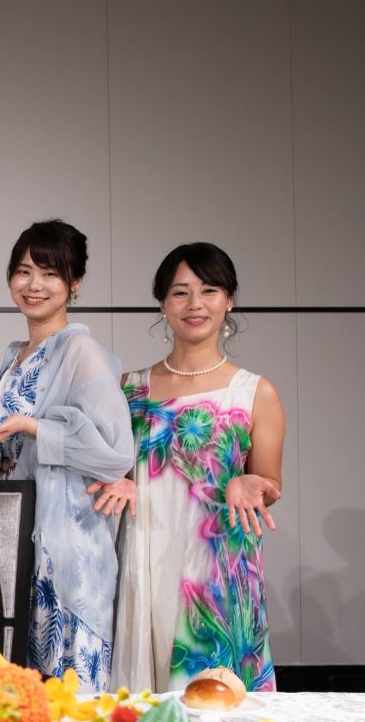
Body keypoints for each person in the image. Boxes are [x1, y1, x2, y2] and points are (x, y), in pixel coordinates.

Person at [95, 243, 285, 693]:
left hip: (215, 568)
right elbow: (109, 468)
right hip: (144, 555)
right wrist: (117, 480)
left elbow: (270, 483)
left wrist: (251, 482)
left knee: (215, 702)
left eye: (209, 290)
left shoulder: (255, 392)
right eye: (180, 292)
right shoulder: (128, 389)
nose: (195, 304)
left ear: (229, 300)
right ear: (163, 303)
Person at [0, 221, 135, 686]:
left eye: (50, 273)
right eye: (24, 271)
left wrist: (33, 427)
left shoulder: (80, 350)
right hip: (18, 539)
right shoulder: (14, 355)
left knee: (72, 698)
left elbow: (114, 454)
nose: (34, 284)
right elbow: (8, 449)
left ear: (75, 283)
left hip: (68, 550)